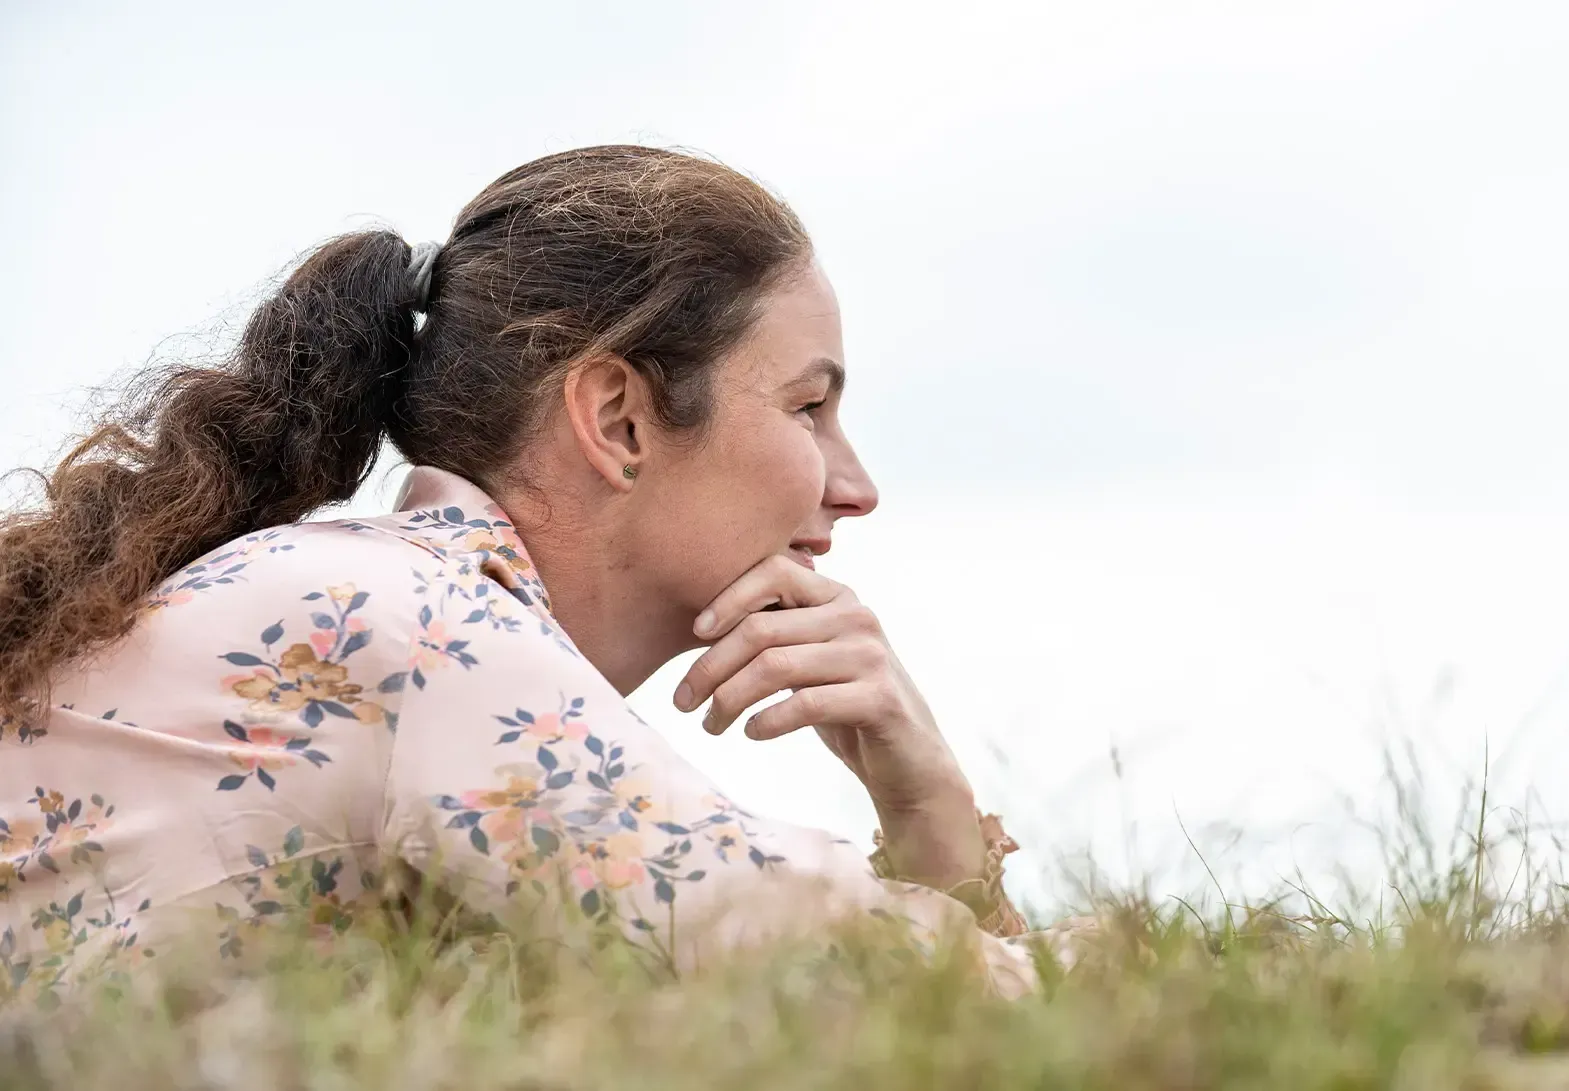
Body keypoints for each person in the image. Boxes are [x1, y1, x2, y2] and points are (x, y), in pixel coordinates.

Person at [0, 145, 1073, 1001]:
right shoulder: (421, 628)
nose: (855, 485)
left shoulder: (385, 611)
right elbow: (905, 997)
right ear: (618, 420)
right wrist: (930, 793)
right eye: (807, 406)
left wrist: (925, 812)